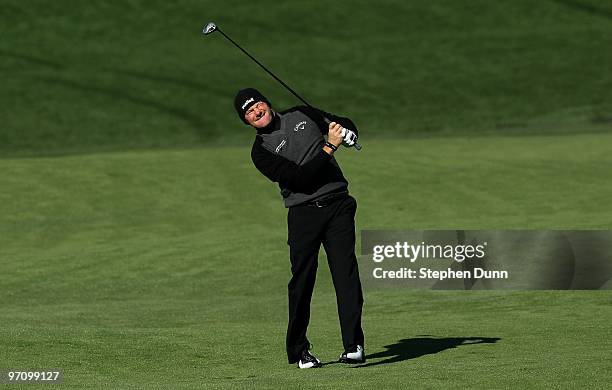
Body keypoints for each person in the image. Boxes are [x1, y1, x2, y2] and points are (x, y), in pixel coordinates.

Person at [234, 88, 365, 369]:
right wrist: (330, 147)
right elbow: (299, 179)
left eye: (257, 105)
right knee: (302, 281)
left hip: (338, 205)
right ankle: (299, 350)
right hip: (303, 215)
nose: (256, 112)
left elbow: (339, 121)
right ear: (247, 122)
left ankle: (354, 345)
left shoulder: (300, 114)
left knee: (346, 273)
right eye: (249, 113)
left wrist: (348, 131)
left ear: (266, 103)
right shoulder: (261, 153)